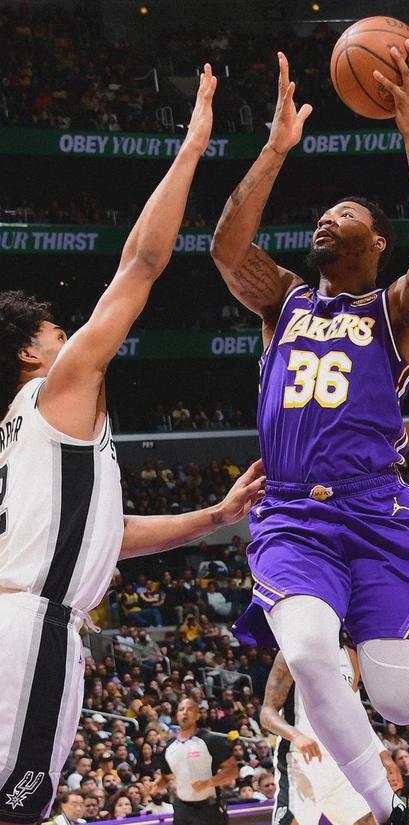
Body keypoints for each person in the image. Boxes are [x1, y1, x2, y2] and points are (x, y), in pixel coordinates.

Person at [0, 65, 265, 825]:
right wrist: (193, 146)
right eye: (59, 332)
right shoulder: (57, 391)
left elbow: (106, 535)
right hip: (30, 632)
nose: (73, 338)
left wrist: (212, 517)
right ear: (29, 353)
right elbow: (141, 265)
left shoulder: (19, 441)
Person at [211, 39, 409, 825]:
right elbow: (225, 248)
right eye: (323, 214)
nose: (327, 218)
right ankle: (389, 811)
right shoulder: (282, 300)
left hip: (375, 509)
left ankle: (392, 649)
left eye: (345, 214)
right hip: (291, 511)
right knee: (311, 651)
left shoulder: (395, 311)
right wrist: (276, 149)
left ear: (377, 242)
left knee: (403, 698)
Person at [259, 646, 401, 825]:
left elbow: (355, 715)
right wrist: (295, 736)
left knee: (373, 821)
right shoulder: (291, 650)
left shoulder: (350, 655)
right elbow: (267, 713)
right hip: (301, 764)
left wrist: (383, 754)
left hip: (341, 764)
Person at [149, 698, 238, 825]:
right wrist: (156, 786)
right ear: (177, 715)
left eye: (189, 709)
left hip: (209, 809)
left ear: (197, 715)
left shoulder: (210, 740)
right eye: (181, 709)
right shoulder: (169, 747)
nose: (185, 712)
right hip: (182, 810)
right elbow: (167, 777)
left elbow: (233, 770)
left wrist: (209, 783)